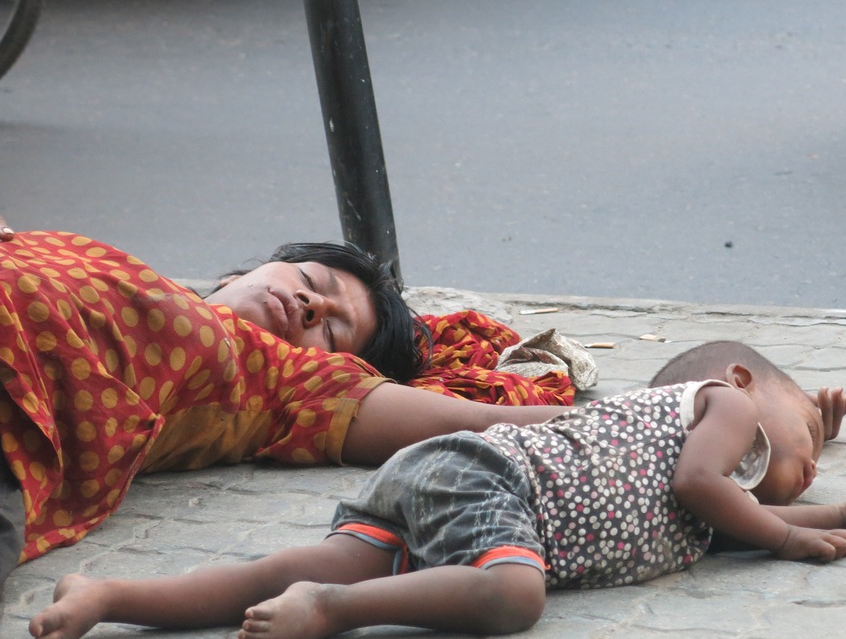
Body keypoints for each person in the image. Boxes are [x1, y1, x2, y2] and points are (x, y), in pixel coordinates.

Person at [28, 340, 846, 639]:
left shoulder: (715, 499)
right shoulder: (723, 407)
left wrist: (839, 516)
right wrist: (792, 541)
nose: (809, 465)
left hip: (445, 487)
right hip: (492, 481)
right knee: (512, 593)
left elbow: (723, 513)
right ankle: (332, 612)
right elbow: (704, 487)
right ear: (749, 384)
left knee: (280, 566)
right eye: (808, 435)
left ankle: (110, 598)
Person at [0, 219, 568, 585]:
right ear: (242, 272)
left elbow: (479, 420)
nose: (308, 304)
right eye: (308, 277)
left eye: (332, 328)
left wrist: (648, 416)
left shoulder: (285, 380)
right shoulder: (130, 271)